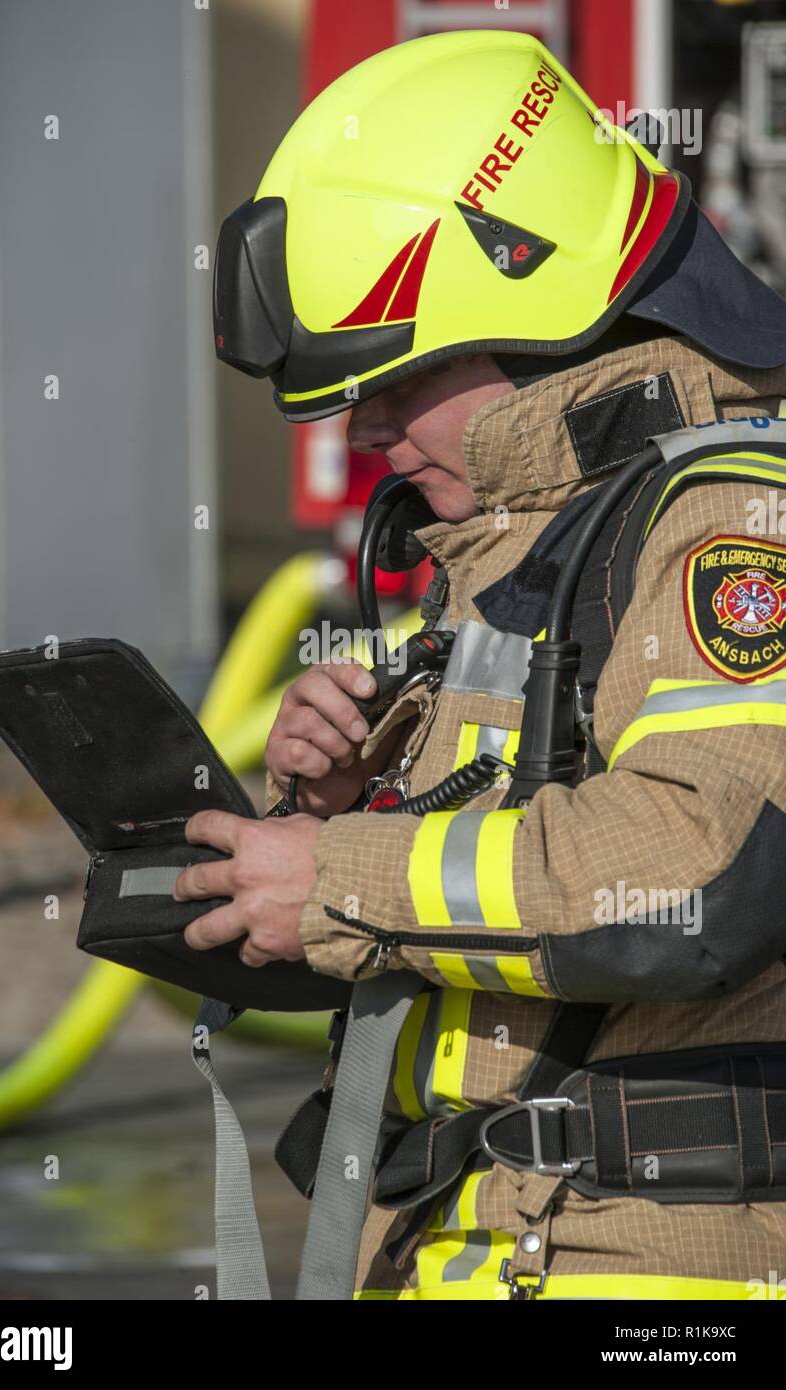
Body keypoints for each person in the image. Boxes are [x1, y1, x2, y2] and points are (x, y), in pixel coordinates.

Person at [174, 30, 786, 1299]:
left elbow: (695, 880)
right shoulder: (534, 542)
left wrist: (342, 875)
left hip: (662, 1267)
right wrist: (343, 808)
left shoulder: (730, 525)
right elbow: (492, 900)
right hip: (486, 1236)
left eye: (402, 376)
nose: (370, 426)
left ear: (550, 314)